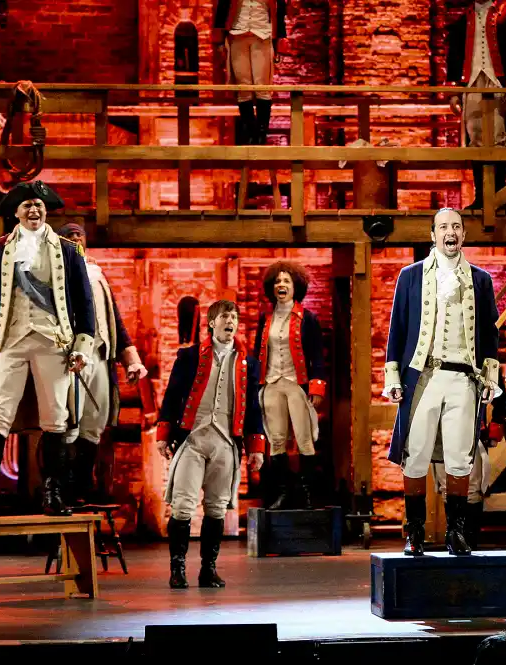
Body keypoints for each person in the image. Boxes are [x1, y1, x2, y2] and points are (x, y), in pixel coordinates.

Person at [0, 180, 95, 519]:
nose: (34, 210)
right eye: (27, 205)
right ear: (16, 213)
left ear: (46, 210)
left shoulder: (70, 250)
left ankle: (52, 494)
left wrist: (82, 344)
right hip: (9, 341)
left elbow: (85, 301)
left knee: (55, 419)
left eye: (38, 205)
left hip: (54, 341)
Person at [383, 208, 500, 556]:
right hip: (424, 376)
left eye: (456, 227)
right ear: (432, 234)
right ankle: (415, 533)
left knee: (459, 459)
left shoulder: (480, 280)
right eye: (443, 227)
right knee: (415, 453)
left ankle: (455, 532)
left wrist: (490, 376)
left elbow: (489, 333)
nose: (450, 232)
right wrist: (392, 375)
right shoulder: (411, 276)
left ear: (463, 235)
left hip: (464, 378)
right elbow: (397, 329)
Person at [155, 299, 266, 589]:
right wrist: (164, 433)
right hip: (192, 439)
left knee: (217, 508)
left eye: (234, 318)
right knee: (182, 506)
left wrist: (256, 447)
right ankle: (177, 569)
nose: (231, 322)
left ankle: (208, 569)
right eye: (225, 317)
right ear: (211, 323)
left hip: (225, 441)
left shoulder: (248, 363)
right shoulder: (190, 357)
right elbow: (172, 395)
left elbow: (253, 406)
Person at [56, 223, 148, 505]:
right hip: (71, 357)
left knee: (94, 423)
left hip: (99, 354)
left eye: (79, 235)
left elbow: (115, 322)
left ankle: (83, 484)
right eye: (69, 236)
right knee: (69, 422)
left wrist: (131, 359)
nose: (75, 239)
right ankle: (64, 488)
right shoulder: (56, 273)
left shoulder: (97, 274)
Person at [252, 260, 326, 510]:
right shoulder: (266, 318)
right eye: (277, 281)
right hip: (272, 383)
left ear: (296, 287)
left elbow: (317, 353)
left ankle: (308, 495)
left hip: (297, 384)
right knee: (276, 440)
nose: (281, 285)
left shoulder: (308, 318)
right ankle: (281, 494)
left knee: (305, 439)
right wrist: (254, 385)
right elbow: (257, 353)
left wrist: (316, 387)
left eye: (286, 281)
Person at [446, 0, 506, 210]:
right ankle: (481, 197)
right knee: (476, 139)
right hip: (472, 83)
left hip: (497, 81)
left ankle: (497, 197)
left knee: (499, 137)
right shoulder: (463, 21)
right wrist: (454, 91)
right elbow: (454, 56)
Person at [432, 386, 506, 549]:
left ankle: (469, 540)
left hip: (472, 430)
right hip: (440, 431)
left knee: (473, 489)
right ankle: (454, 539)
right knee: (446, 486)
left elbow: (500, 397)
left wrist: (495, 429)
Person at [212, 0, 285, 145]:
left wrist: (280, 42)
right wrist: (220, 41)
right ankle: (250, 132)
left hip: (262, 36)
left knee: (262, 88)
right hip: (237, 35)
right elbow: (222, 8)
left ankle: (262, 134)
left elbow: (279, 10)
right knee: (243, 88)